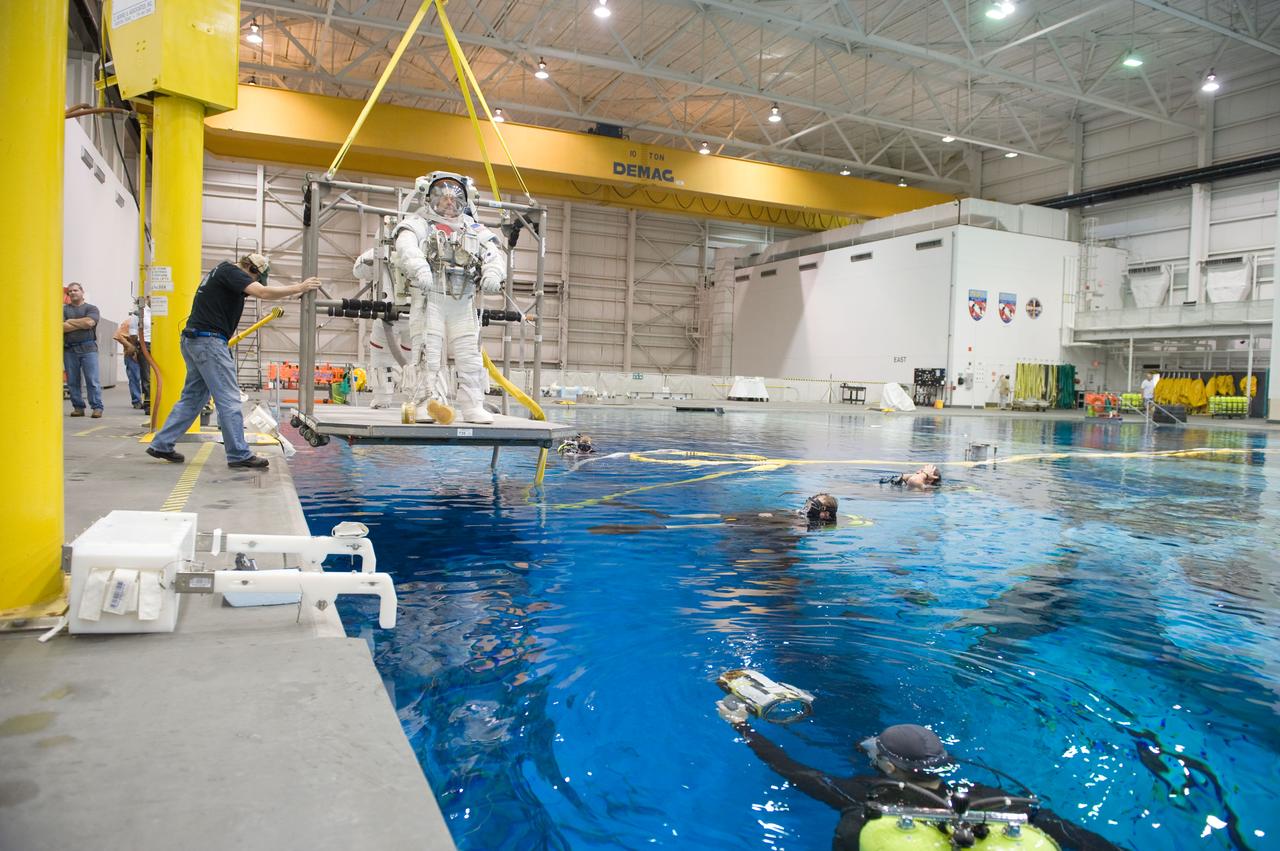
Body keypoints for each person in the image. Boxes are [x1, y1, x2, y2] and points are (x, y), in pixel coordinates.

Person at [716, 706, 1123, 851]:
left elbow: (790, 769)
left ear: (891, 766)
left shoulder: (861, 794)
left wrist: (742, 727)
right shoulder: (986, 798)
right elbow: (1074, 835)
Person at [146, 253, 321, 469]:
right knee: (229, 399)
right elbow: (263, 292)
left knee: (193, 398)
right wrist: (299, 287)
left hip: (194, 341)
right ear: (253, 270)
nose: (254, 283)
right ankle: (238, 454)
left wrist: (289, 294)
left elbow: (259, 292)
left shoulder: (222, 275)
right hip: (209, 342)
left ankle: (162, 443)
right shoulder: (232, 272)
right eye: (256, 278)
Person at [392, 171, 506, 424]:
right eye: (442, 197)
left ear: (464, 201)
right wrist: (420, 268)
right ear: (430, 198)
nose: (448, 202)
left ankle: (472, 405)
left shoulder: (475, 229)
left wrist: (493, 274)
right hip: (430, 297)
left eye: (453, 198)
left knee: (470, 356)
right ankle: (426, 403)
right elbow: (406, 245)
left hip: (462, 299)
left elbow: (494, 254)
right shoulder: (419, 223)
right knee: (427, 353)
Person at [63, 282, 103, 417]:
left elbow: (89, 323)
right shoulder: (64, 310)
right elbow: (61, 327)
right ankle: (78, 407)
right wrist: (81, 323)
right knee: (73, 381)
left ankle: (97, 407)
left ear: (82, 292)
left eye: (75, 290)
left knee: (92, 380)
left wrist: (70, 321)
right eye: (70, 291)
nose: (73, 293)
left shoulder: (91, 308)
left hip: (88, 349)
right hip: (70, 350)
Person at [112, 303, 151, 411]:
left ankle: (144, 400)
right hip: (132, 354)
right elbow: (118, 335)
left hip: (141, 351)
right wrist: (131, 346)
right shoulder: (129, 322)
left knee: (145, 377)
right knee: (135, 378)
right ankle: (137, 401)